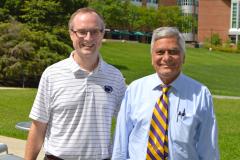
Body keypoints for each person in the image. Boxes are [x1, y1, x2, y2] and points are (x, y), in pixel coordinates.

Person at [25, 8, 126, 160]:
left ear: (102, 34)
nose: (88, 37)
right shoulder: (52, 74)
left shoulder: (115, 77)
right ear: (71, 33)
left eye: (94, 31)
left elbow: (126, 124)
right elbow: (38, 127)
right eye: (82, 32)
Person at [112, 27, 219, 160]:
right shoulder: (135, 90)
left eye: (173, 52)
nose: (166, 58)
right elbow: (121, 143)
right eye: (160, 52)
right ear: (152, 58)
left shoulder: (201, 94)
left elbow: (208, 149)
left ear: (183, 57)